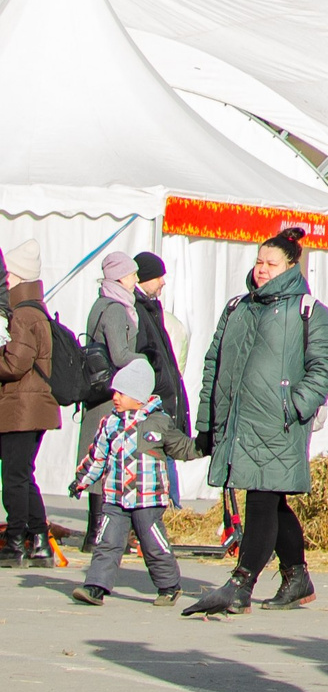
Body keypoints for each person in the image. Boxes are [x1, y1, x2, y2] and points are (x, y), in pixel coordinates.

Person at [182, 230, 328, 617]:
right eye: (258, 262)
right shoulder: (237, 307)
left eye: (271, 264)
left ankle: (241, 584)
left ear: (291, 267)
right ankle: (296, 576)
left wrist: (292, 405)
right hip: (240, 420)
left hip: (278, 422)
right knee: (271, 498)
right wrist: (208, 421)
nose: (261, 271)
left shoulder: (308, 310)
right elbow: (213, 363)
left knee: (261, 497)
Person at [69, 360, 191, 605]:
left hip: (148, 499)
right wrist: (81, 480)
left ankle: (169, 586)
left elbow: (182, 447)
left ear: (138, 397)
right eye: (115, 392)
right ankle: (95, 586)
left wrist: (205, 445)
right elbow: (98, 456)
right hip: (115, 498)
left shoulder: (158, 422)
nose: (115, 397)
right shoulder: (110, 423)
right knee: (108, 542)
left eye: (121, 393)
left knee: (152, 543)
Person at [1, 245, 61, 569]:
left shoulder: (22, 314)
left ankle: (14, 542)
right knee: (24, 475)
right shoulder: (35, 309)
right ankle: (38, 540)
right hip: (32, 406)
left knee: (13, 477)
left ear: (16, 276)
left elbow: (15, 363)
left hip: (20, 408)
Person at [80, 252, 145, 546]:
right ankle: (97, 534)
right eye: (132, 274)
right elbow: (119, 355)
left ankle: (95, 532)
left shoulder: (100, 302)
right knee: (104, 457)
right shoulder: (117, 309)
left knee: (97, 453)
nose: (136, 280)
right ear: (120, 277)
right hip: (111, 393)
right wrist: (144, 359)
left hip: (97, 392)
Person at [127, 252, 190, 435]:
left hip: (160, 403)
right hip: (152, 407)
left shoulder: (150, 309)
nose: (163, 281)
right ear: (144, 277)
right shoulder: (137, 310)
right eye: (158, 276)